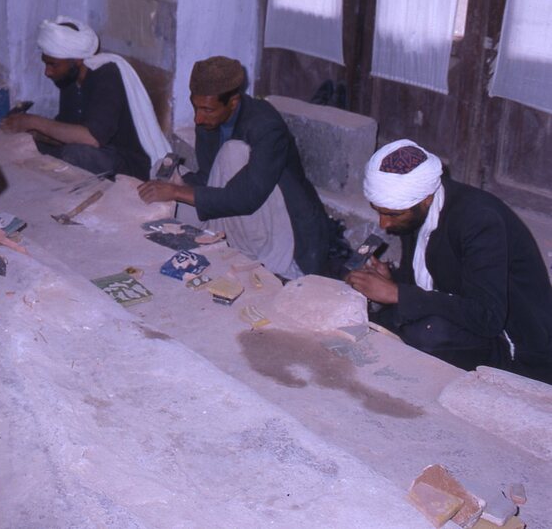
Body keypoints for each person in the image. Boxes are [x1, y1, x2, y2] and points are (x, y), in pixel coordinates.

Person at [345, 139, 552, 383]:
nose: (384, 224)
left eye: (392, 214)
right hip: (476, 320)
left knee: (425, 334)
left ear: (426, 199)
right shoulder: (419, 211)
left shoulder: (479, 220)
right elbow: (435, 280)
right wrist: (394, 281)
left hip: (516, 348)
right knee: (381, 322)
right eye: (379, 211)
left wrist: (399, 294)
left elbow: (488, 317)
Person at [137, 56, 329, 279]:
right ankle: (220, 240)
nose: (198, 118)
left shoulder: (265, 124)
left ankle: (248, 257)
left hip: (279, 229)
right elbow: (211, 177)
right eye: (195, 107)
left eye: (207, 109)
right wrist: (179, 184)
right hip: (234, 212)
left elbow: (246, 198)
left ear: (233, 102)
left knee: (232, 152)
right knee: (161, 168)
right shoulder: (208, 120)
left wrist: (178, 192)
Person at [0, 15, 169, 180]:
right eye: (46, 63)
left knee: (75, 154)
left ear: (77, 60)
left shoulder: (107, 76)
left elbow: (92, 138)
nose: (47, 72)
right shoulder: (70, 80)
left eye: (53, 64)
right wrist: (34, 133)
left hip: (127, 162)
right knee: (34, 145)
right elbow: (68, 132)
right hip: (98, 152)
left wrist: (33, 121)